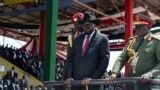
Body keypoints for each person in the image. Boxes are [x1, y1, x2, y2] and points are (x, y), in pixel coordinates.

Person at [106, 14, 160, 90]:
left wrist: (150, 74)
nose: (136, 29)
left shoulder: (156, 42)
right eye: (136, 27)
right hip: (132, 83)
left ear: (148, 27)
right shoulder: (132, 41)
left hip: (148, 84)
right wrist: (114, 72)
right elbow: (122, 57)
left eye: (139, 27)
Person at [64, 12, 110, 90]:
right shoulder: (77, 39)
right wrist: (69, 76)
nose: (86, 27)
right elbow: (71, 59)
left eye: (89, 24)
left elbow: (104, 60)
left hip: (93, 84)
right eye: (84, 25)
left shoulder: (103, 39)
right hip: (77, 83)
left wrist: (93, 78)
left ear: (94, 24)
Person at [62, 12, 84, 80]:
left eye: (78, 24)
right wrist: (68, 75)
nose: (76, 26)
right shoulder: (72, 38)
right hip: (75, 71)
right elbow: (69, 57)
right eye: (75, 24)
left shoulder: (90, 37)